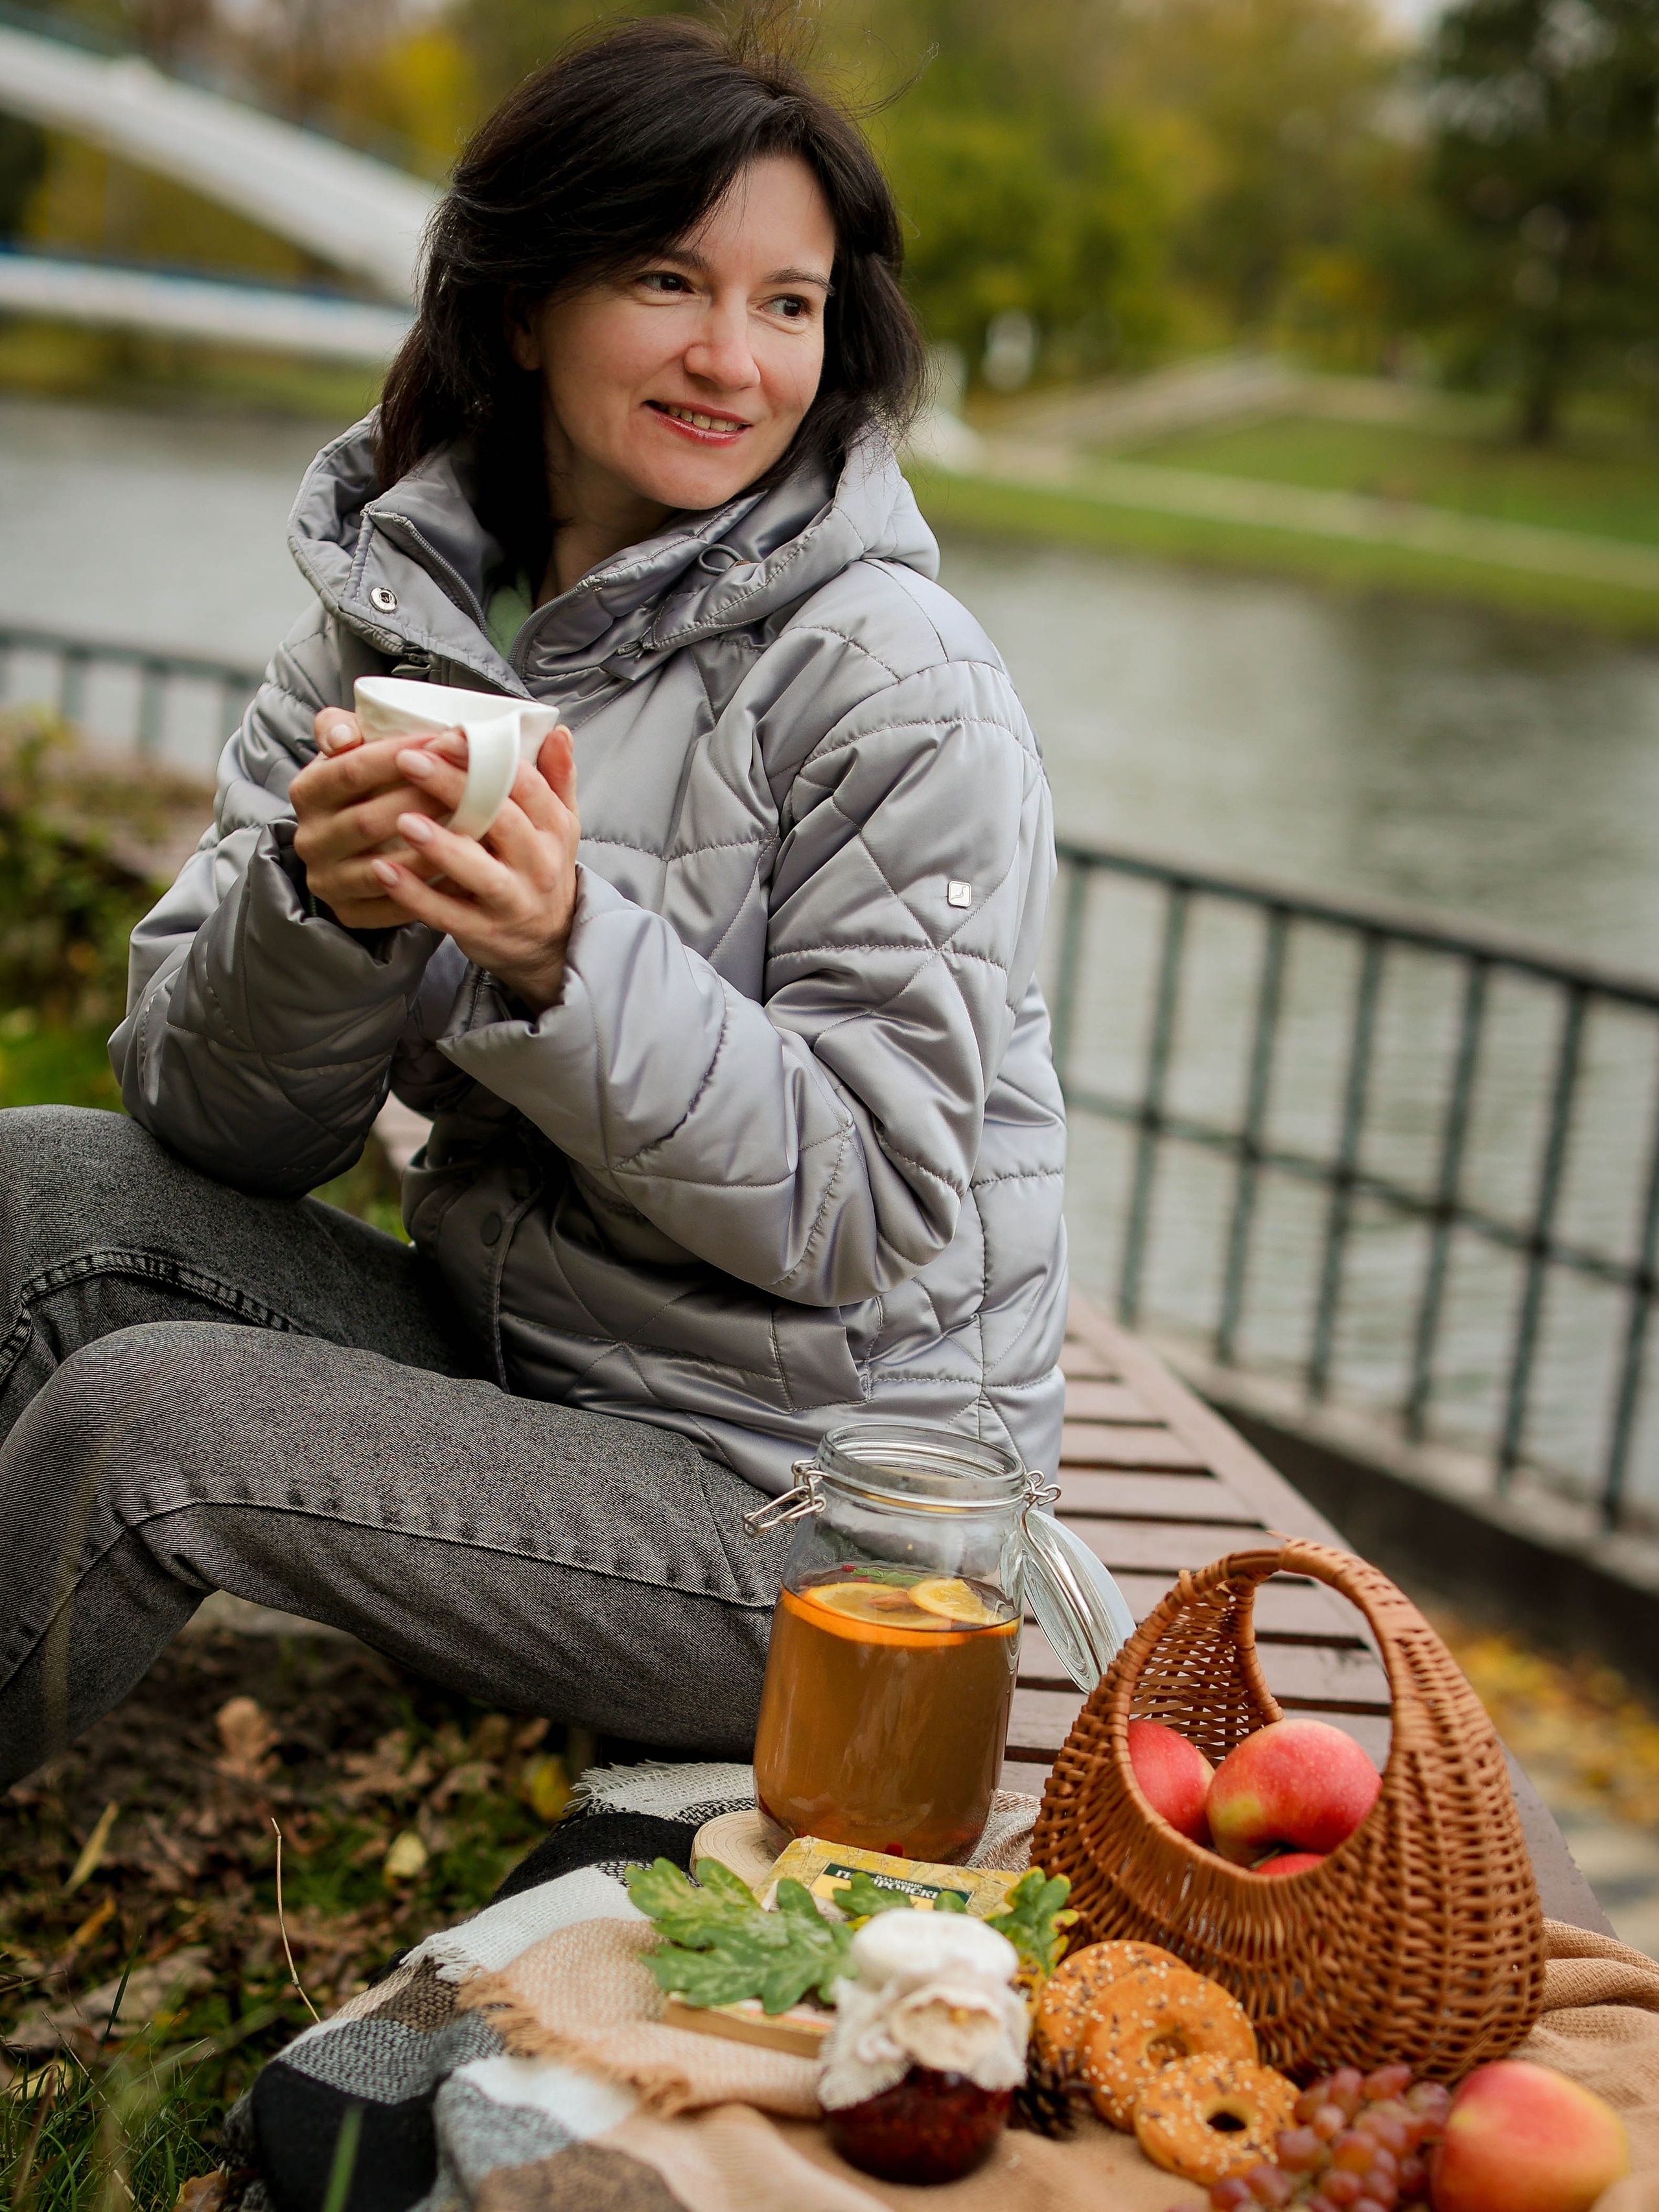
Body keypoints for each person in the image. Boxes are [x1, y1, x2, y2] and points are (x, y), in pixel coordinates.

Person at [0, 14, 1067, 1789]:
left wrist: (569, 956)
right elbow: (211, 1126)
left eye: (788, 303)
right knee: (39, 1187)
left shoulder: (899, 683)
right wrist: (323, 919)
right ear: (521, 307)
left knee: (151, 1431)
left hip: (818, 1528)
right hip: (532, 1370)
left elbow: (872, 1206)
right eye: (668, 280)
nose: (734, 356)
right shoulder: (392, 631)